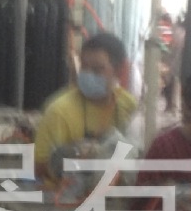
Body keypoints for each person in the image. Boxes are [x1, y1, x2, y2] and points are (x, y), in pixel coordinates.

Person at [34, 33, 138, 180]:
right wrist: (73, 159)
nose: (88, 74)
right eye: (84, 67)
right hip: (68, 191)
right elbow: (37, 167)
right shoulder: (59, 111)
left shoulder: (128, 105)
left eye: (97, 69)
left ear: (119, 71)